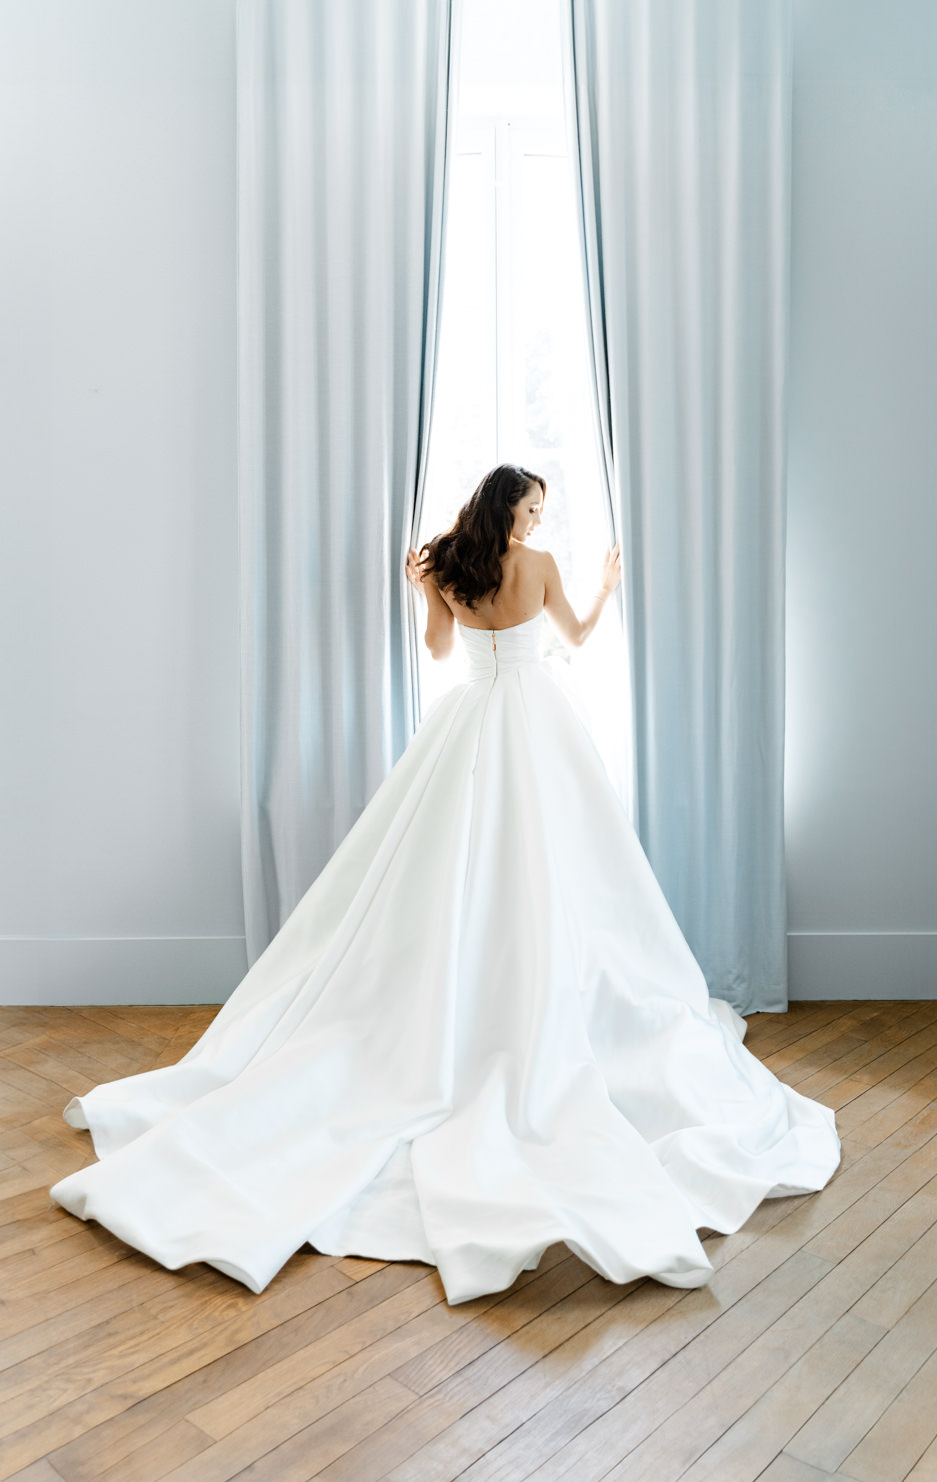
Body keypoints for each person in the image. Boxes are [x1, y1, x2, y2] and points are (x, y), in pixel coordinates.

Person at [50, 462, 840, 1307]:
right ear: (509, 506)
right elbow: (574, 640)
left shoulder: (444, 565)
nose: (537, 521)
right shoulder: (539, 566)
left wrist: (420, 592)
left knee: (449, 862)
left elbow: (435, 651)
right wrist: (607, 589)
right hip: (533, 721)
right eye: (532, 507)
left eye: (541, 511)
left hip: (467, 718)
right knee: (551, 863)